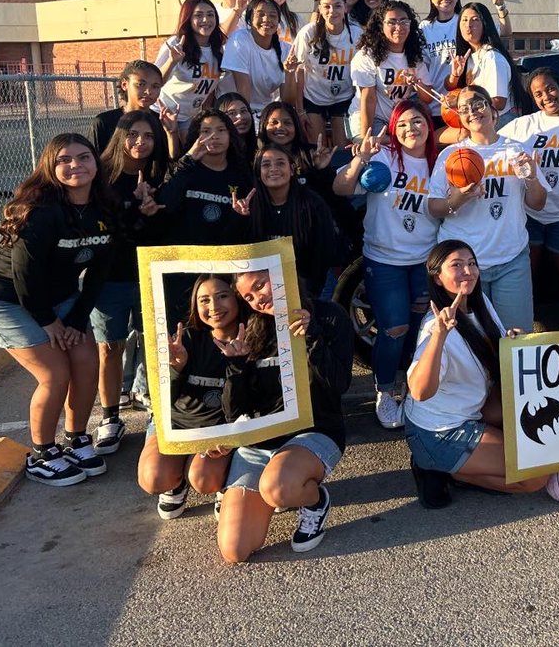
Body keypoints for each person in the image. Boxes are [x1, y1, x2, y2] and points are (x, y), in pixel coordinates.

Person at [0, 134, 117, 486]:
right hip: (2, 295)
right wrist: (48, 322)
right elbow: (24, 275)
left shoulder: (105, 206)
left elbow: (100, 271)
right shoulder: (40, 211)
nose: (75, 165)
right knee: (54, 373)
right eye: (65, 159)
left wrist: (76, 319)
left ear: (96, 164)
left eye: (84, 157)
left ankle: (76, 437)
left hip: (56, 293)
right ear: (50, 166)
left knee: (85, 358)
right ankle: (41, 452)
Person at [403, 240, 554, 508]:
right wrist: (439, 336)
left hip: (471, 408)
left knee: (527, 409)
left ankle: (463, 463)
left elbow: (492, 356)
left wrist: (512, 340)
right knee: (536, 478)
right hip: (442, 432)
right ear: (437, 278)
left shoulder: (478, 301)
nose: (468, 271)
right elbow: (419, 391)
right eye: (456, 265)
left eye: (471, 263)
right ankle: (443, 468)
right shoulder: (434, 327)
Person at [217, 269, 353, 562]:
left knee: (278, 489)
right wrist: (236, 366)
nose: (259, 298)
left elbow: (339, 384)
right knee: (235, 550)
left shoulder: (328, 314)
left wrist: (312, 335)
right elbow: (235, 411)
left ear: (283, 272)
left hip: (314, 431)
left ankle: (314, 501)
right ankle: (274, 483)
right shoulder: (248, 327)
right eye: (248, 296)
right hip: (260, 443)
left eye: (260, 284)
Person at [334, 100, 441, 429]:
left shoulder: (441, 161)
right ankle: (385, 391)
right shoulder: (382, 155)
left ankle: (413, 388)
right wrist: (360, 159)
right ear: (394, 127)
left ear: (428, 126)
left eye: (419, 121)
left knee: (420, 331)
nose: (412, 128)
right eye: (405, 122)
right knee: (393, 329)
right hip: (385, 260)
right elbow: (341, 188)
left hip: (426, 260)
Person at [427, 86, 547, 334]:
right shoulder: (451, 155)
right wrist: (458, 199)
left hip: (510, 259)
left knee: (517, 337)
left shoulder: (517, 150)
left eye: (478, 103)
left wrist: (532, 177)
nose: (472, 111)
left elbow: (537, 203)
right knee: (469, 340)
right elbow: (433, 208)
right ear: (460, 119)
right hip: (464, 265)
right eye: (464, 109)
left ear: (494, 112)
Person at [90, 111, 169, 454]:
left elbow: (161, 229)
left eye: (149, 135)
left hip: (149, 272)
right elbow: (103, 231)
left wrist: (149, 212)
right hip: (111, 278)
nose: (141, 142)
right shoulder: (100, 177)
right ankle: (109, 416)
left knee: (153, 341)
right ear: (119, 136)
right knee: (110, 346)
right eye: (133, 134)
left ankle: (154, 404)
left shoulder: (159, 175)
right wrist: (134, 210)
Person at [135, 274, 237, 519]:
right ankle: (175, 482)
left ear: (237, 296)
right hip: (178, 423)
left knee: (204, 479)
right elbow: (163, 401)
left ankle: (227, 480)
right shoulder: (186, 338)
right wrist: (175, 368)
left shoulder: (252, 336)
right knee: (153, 478)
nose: (214, 307)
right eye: (204, 300)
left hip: (219, 429)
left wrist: (239, 364)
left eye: (222, 296)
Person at [499, 68, 559, 326]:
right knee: (527, 285)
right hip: (530, 216)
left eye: (550, 88)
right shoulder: (523, 126)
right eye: (537, 93)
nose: (546, 96)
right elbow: (487, 142)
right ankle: (528, 340)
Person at [232, 144, 339, 299]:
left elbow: (324, 252)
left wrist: (304, 294)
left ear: (292, 169)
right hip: (262, 292)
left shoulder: (312, 204)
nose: (273, 169)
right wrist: (239, 219)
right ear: (258, 172)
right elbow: (240, 255)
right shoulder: (249, 206)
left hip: (310, 288)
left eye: (280, 163)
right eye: (266, 165)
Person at [154, 110, 253, 247]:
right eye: (206, 131)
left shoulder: (241, 175)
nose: (214, 136)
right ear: (196, 136)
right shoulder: (183, 168)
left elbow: (245, 230)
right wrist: (187, 161)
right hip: (183, 258)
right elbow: (165, 206)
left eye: (221, 130)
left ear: (230, 135)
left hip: (224, 258)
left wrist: (239, 216)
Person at [351, 1, 441, 136]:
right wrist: (366, 137)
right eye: (392, 22)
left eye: (404, 21)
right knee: (384, 146)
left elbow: (428, 99)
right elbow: (368, 98)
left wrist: (417, 83)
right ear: (381, 26)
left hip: (401, 120)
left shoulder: (414, 56)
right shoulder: (367, 55)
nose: (398, 27)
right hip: (371, 118)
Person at [289, 0, 360, 148]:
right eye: (326, 6)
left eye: (337, 6)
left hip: (343, 97)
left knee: (343, 149)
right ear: (320, 8)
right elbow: (299, 71)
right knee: (317, 148)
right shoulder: (309, 33)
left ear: (345, 8)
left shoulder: (356, 34)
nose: (332, 11)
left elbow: (361, 72)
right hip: (314, 97)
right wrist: (300, 110)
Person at [444, 2, 530, 128]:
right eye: (464, 20)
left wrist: (460, 103)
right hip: (479, 121)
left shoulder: (492, 57)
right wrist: (455, 75)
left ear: (485, 25)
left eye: (475, 20)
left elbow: (498, 102)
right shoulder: (467, 56)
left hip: (499, 123)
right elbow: (448, 86)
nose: (469, 25)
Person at [156, 0, 224, 138]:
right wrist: (172, 61)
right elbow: (155, 82)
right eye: (198, 15)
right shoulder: (176, 43)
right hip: (162, 114)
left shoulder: (218, 48)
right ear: (188, 18)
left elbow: (209, 90)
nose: (205, 20)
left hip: (189, 117)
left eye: (210, 15)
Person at [88, 59, 177, 158]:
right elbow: (93, 161)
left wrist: (172, 133)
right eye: (141, 84)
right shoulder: (104, 122)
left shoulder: (162, 121)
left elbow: (172, 161)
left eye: (155, 86)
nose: (148, 91)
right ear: (124, 85)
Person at [221, 0, 288, 120]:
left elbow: (288, 100)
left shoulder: (286, 50)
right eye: (260, 15)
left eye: (272, 16)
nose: (266, 20)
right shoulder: (239, 39)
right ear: (249, 19)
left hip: (265, 113)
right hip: (234, 111)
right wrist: (248, 119)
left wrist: (290, 72)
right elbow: (243, 87)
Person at [215, 92, 258, 164]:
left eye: (243, 111)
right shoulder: (214, 154)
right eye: (231, 113)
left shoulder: (259, 150)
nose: (240, 117)